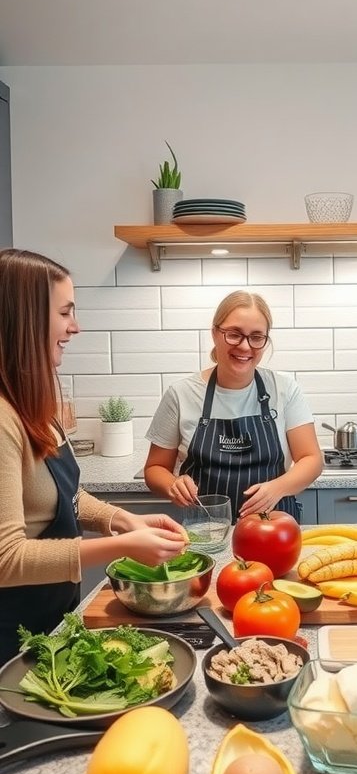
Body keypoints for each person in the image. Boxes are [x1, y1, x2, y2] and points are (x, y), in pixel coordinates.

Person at [0, 248, 188, 664]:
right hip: (11, 636)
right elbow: (6, 560)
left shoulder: (29, 405)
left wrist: (122, 520)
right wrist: (122, 546)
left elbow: (62, 495)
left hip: (50, 622)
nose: (75, 327)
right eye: (65, 312)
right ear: (27, 318)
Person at [144, 290, 323, 522]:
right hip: (206, 532)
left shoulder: (284, 389)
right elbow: (155, 468)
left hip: (274, 529)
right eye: (234, 334)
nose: (245, 346)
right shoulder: (181, 394)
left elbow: (312, 458)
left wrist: (278, 488)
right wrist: (173, 484)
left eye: (256, 337)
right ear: (215, 334)